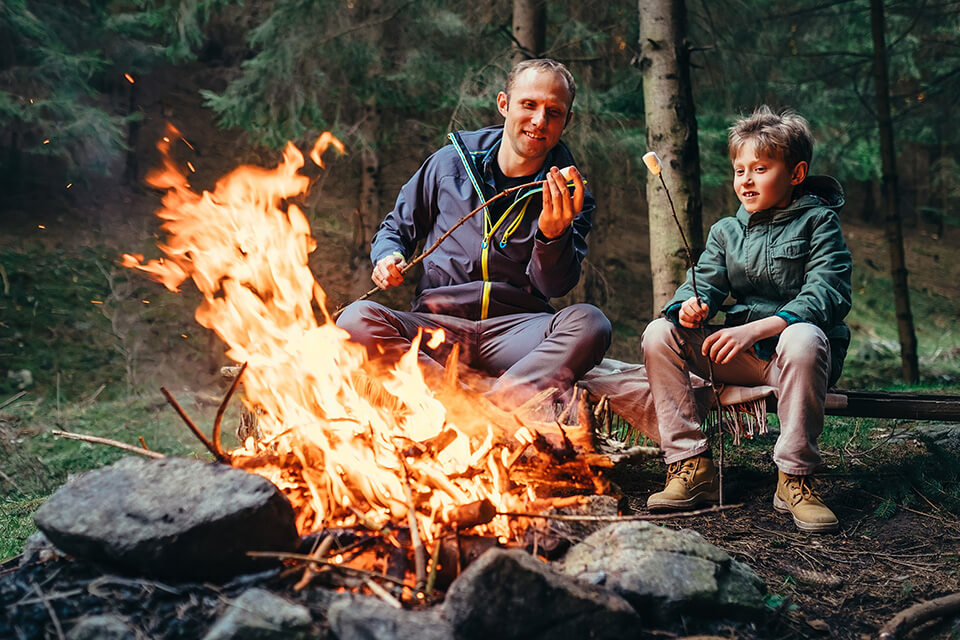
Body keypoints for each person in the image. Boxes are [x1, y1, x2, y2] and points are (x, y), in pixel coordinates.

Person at [336, 58, 611, 410]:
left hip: (517, 333)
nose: (540, 121)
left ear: (566, 121)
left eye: (554, 112)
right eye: (529, 104)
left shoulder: (570, 191)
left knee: (591, 324)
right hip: (435, 326)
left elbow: (554, 287)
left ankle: (492, 407)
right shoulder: (448, 165)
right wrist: (389, 255)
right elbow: (395, 228)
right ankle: (456, 403)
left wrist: (552, 237)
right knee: (354, 320)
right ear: (504, 104)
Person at [642, 105, 852, 533]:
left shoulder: (820, 222)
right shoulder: (726, 232)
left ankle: (794, 479)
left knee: (804, 337)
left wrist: (762, 326)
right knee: (659, 333)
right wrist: (689, 306)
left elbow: (829, 290)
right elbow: (701, 283)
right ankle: (690, 466)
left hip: (797, 361)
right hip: (739, 357)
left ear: (795, 174)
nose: (746, 180)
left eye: (760, 168)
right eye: (740, 170)